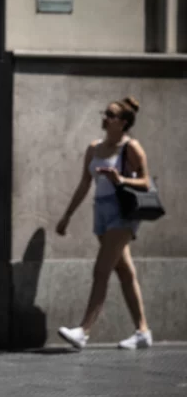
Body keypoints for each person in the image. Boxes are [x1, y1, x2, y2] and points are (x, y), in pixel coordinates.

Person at [56, 96, 153, 350]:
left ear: (122, 122)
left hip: (122, 215)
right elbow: (84, 184)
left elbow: (146, 182)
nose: (105, 118)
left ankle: (84, 331)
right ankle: (143, 331)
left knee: (101, 270)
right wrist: (67, 215)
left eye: (111, 115)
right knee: (125, 272)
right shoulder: (94, 147)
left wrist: (120, 179)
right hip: (101, 213)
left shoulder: (131, 147)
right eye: (105, 113)